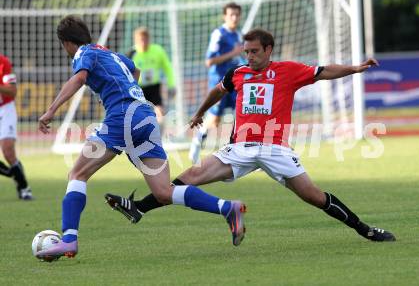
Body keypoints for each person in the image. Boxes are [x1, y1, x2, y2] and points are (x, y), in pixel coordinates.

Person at [106, 29, 396, 242]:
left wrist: (356, 69)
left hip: (275, 148)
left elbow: (322, 71)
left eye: (254, 51)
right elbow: (218, 90)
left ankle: (366, 230)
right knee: (189, 176)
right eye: (247, 51)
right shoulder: (238, 73)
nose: (249, 56)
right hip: (241, 147)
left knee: (315, 197)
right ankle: (140, 208)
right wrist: (200, 113)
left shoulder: (288, 71)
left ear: (268, 50)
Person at [35, 15, 247, 260]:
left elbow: (80, 78)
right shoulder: (111, 54)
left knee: (77, 174)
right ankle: (227, 208)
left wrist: (51, 110)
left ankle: (69, 240)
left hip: (122, 115)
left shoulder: (84, 53)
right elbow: (135, 69)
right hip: (145, 114)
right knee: (163, 192)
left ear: (66, 43)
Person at [189, 2, 244, 164]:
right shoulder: (218, 34)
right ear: (225, 16)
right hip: (220, 83)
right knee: (214, 121)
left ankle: (249, 154)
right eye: (231, 14)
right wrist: (232, 53)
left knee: (243, 115)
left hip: (236, 83)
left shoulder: (239, 35)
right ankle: (196, 144)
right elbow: (209, 61)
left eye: (237, 14)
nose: (234, 17)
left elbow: (239, 58)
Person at [0, 53, 33, 200]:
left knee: (8, 150)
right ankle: (11, 172)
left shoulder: (3, 62)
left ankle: (24, 187)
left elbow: (12, 92)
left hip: (5, 109)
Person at [127, 27, 175, 126]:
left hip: (154, 87)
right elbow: (125, 73)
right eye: (141, 40)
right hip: (139, 89)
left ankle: (159, 137)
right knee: (139, 117)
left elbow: (168, 68)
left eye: (145, 39)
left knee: (160, 113)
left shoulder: (158, 50)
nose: (143, 42)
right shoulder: (131, 54)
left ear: (149, 39)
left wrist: (171, 85)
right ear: (136, 41)